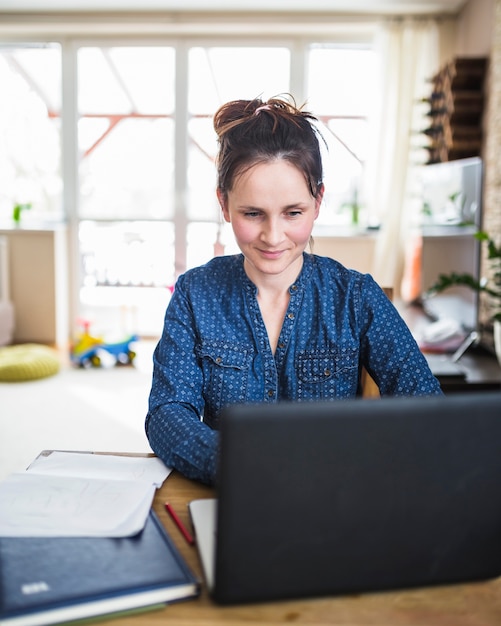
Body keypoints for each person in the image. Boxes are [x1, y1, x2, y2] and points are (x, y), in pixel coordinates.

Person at [145, 95, 442, 485]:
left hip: (337, 499)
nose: (273, 236)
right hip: (233, 495)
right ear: (224, 203)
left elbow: (425, 407)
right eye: (252, 214)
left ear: (318, 201)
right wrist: (238, 464)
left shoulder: (356, 297)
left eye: (293, 213)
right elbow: (168, 413)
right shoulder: (194, 294)